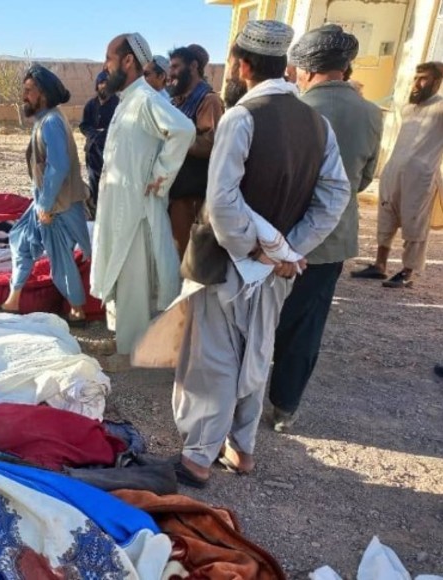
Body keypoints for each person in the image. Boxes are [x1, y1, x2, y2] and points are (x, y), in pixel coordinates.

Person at [170, 20, 350, 487]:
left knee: (215, 359)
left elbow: (222, 202)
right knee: (257, 350)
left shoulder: (241, 117)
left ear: (243, 65)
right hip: (275, 270)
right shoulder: (317, 123)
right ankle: (242, 448)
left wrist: (260, 250)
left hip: (229, 262)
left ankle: (198, 458)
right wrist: (289, 249)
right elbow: (335, 195)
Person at [269, 25, 383, 432]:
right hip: (332, 241)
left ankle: (245, 397)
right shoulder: (371, 113)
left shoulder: (294, 109)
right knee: (307, 325)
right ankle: (284, 406)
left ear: (306, 68)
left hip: (282, 237)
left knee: (264, 318)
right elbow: (365, 177)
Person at [90, 33, 195, 361]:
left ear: (127, 61)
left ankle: (132, 352)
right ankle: (123, 339)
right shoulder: (128, 100)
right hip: (119, 206)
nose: (105, 66)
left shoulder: (147, 99)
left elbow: (184, 130)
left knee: (133, 280)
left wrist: (159, 176)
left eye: (109, 58)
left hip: (136, 210)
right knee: (120, 275)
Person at [2, 64, 91, 326]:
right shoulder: (45, 119)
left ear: (43, 94)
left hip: (56, 205)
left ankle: (78, 310)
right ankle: (13, 299)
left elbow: (58, 166)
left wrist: (45, 205)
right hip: (44, 201)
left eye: (29, 90)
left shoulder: (51, 122)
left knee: (61, 257)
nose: (24, 96)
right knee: (21, 239)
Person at [351, 61, 443, 289]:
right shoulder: (409, 108)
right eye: (416, 78)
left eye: (423, 78)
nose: (417, 83)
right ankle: (379, 264)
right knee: (386, 216)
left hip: (420, 176)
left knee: (414, 223)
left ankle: (407, 271)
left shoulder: (440, 108)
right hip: (394, 170)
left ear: (437, 82)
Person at [167, 45, 225, 259]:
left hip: (192, 195)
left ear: (193, 66)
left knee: (189, 257)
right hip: (176, 192)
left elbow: (211, 143)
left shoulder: (208, 100)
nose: (171, 73)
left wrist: (174, 139)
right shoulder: (178, 101)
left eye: (176, 67)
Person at [79, 70, 118, 214]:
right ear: (97, 85)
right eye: (101, 83)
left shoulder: (118, 104)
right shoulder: (91, 105)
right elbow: (84, 125)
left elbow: (119, 126)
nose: (104, 86)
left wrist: (104, 134)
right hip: (92, 152)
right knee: (94, 183)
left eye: (107, 83)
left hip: (112, 152)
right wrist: (94, 134)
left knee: (110, 185)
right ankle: (96, 213)